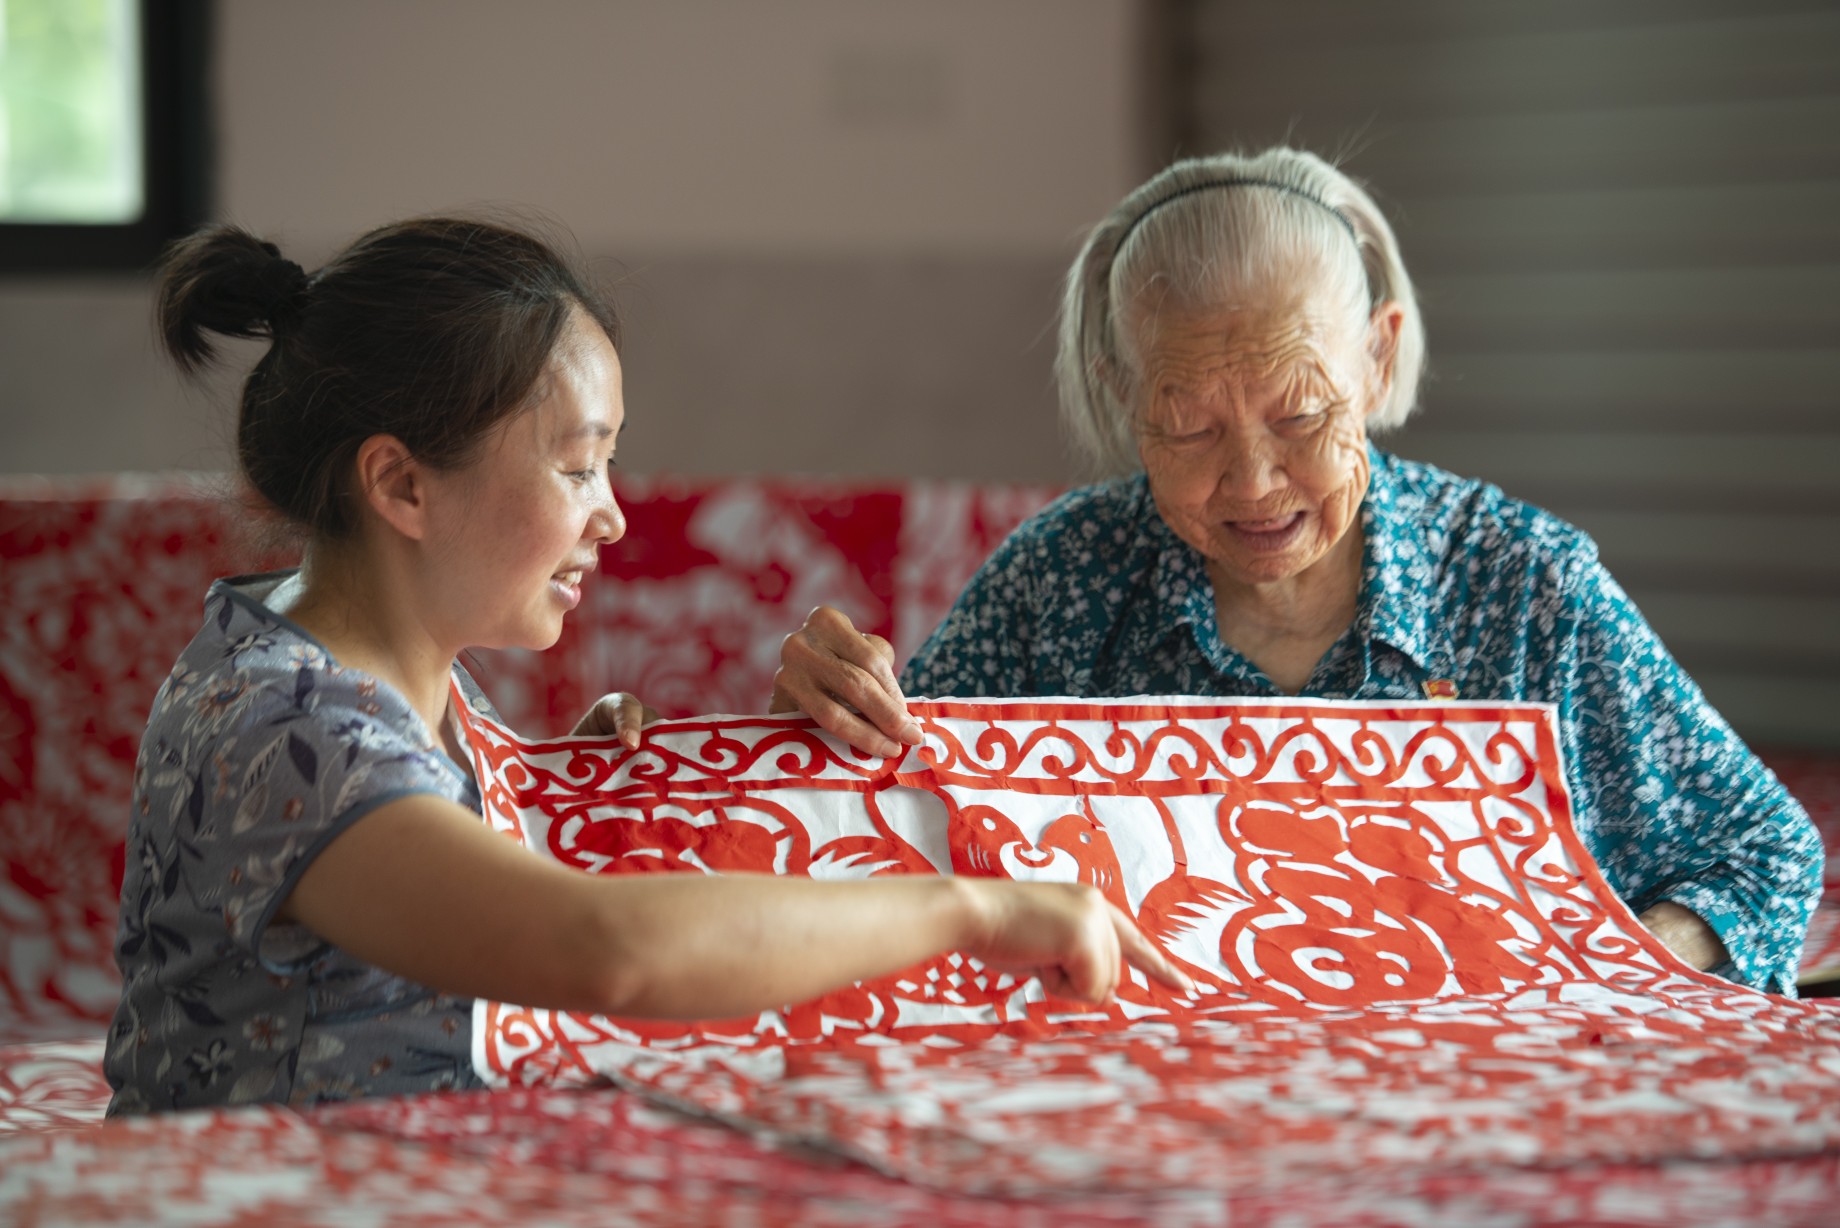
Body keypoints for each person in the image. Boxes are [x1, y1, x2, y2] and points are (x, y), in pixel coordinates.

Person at [105, 217, 1188, 1115]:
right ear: (401, 485)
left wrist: (566, 798)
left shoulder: (348, 665)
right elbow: (604, 950)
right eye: (579, 467)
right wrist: (973, 911)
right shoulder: (285, 729)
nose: (613, 516)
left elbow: (432, 883)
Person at [771, 147, 1822, 996]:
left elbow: (1764, 853)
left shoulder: (1523, 585)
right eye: (1189, 427)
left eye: (1301, 413)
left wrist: (1604, 975)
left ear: (1377, 355)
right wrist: (815, 734)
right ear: (1122, 393)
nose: (1254, 481)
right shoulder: (1059, 581)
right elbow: (880, 836)